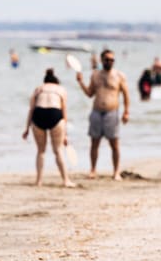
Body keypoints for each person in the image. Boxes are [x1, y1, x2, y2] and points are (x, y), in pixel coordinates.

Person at [75, 49, 130, 180]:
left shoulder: (119, 75)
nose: (110, 62)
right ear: (102, 60)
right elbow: (89, 93)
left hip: (112, 112)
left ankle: (116, 171)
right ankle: (93, 170)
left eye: (112, 60)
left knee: (114, 143)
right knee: (94, 143)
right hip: (96, 112)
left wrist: (126, 112)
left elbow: (126, 95)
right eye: (107, 59)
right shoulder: (95, 75)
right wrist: (81, 82)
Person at [22, 68, 73, 187]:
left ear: (45, 81)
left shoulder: (39, 89)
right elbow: (64, 111)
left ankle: (38, 181)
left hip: (38, 114)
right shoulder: (60, 89)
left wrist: (27, 129)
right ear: (56, 82)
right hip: (55, 114)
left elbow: (31, 109)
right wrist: (65, 134)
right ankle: (66, 180)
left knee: (41, 151)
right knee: (58, 150)